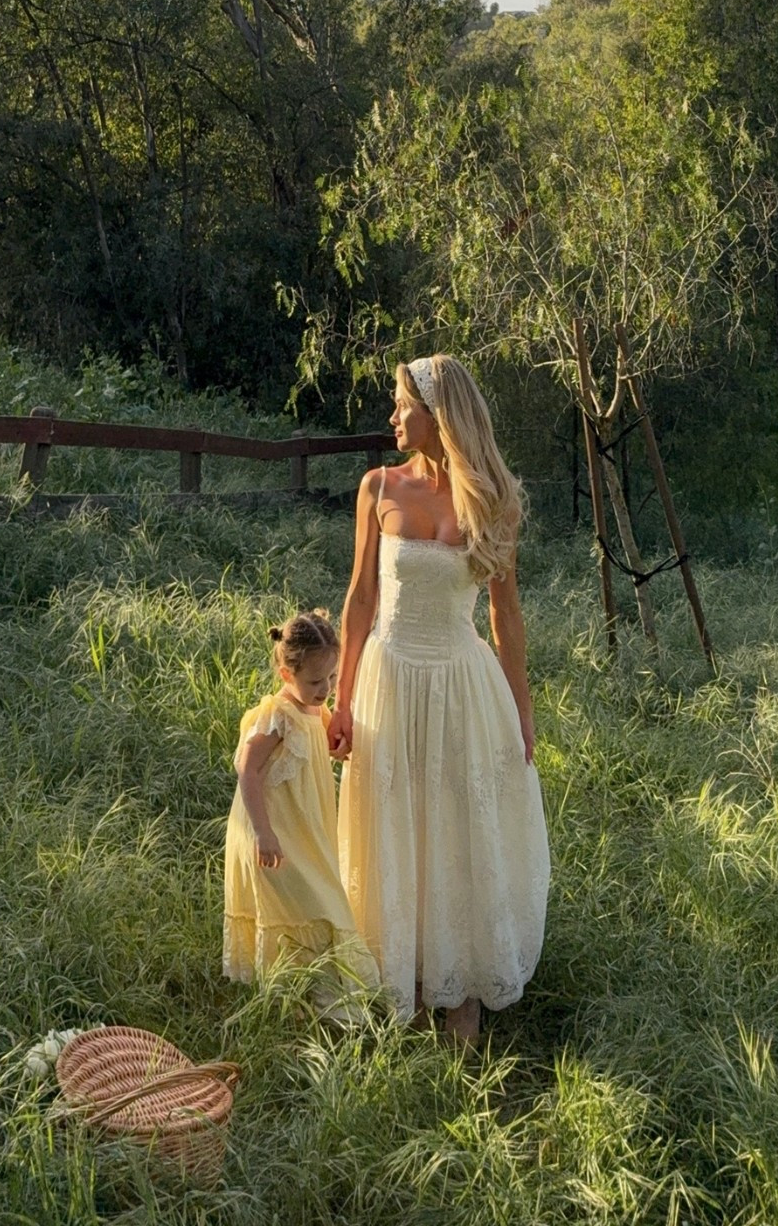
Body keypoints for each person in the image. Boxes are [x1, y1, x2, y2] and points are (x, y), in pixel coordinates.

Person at [329, 353, 549, 1040]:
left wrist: (522, 709)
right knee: (398, 823)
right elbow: (360, 600)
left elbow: (505, 616)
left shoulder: (492, 500)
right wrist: (341, 701)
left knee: (458, 826)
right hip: (389, 680)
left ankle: (464, 992)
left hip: (461, 683)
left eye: (404, 405)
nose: (393, 416)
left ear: (439, 415)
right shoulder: (378, 487)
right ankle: (412, 976)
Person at [223, 610, 379, 1011]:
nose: (325, 689)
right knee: (308, 906)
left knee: (319, 900)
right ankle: (294, 995)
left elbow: (313, 744)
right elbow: (247, 768)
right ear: (286, 674)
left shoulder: (313, 708)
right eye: (315, 681)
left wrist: (336, 747)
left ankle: (319, 996)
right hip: (275, 832)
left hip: (305, 830)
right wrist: (263, 832)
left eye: (331, 678)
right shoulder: (277, 716)